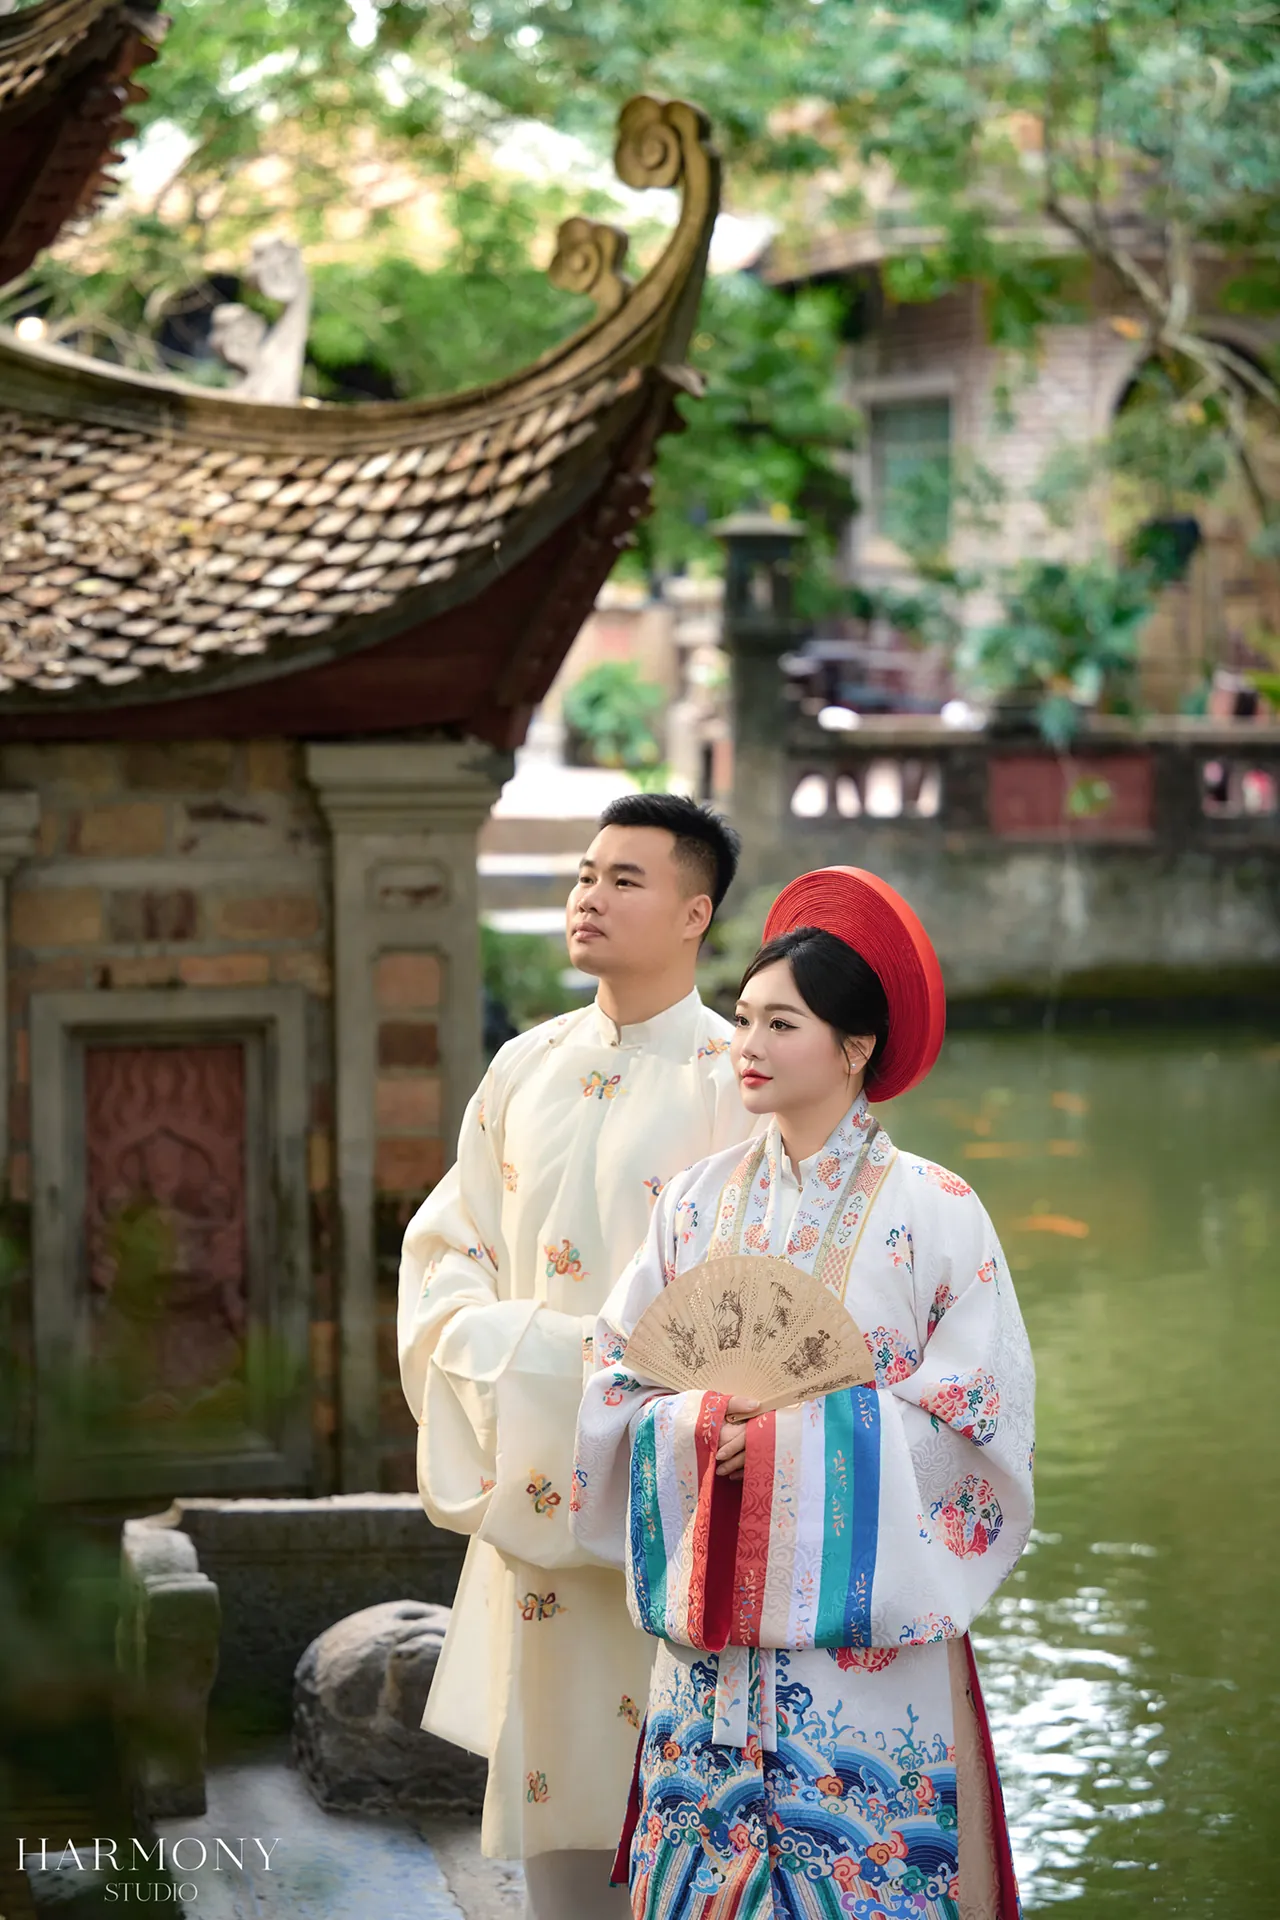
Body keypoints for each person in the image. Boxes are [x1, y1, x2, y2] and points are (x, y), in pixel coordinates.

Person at [572, 865, 1035, 1920]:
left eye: (780, 1024)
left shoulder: (937, 1212)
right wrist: (693, 1427)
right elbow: (616, 1378)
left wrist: (798, 1443)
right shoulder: (692, 1207)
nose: (747, 1044)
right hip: (711, 1645)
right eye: (742, 1018)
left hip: (863, 1647)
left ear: (855, 1046)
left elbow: (978, 1421)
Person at [398, 793, 753, 1919]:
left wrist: (621, 1390)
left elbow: (754, 1302)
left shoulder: (736, 1079)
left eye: (624, 879)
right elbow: (448, 1245)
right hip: (537, 1468)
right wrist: (499, 1352)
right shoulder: (523, 1064)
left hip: (671, 1488)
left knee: (688, 1805)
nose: (588, 896)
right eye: (584, 875)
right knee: (555, 1804)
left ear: (695, 913)